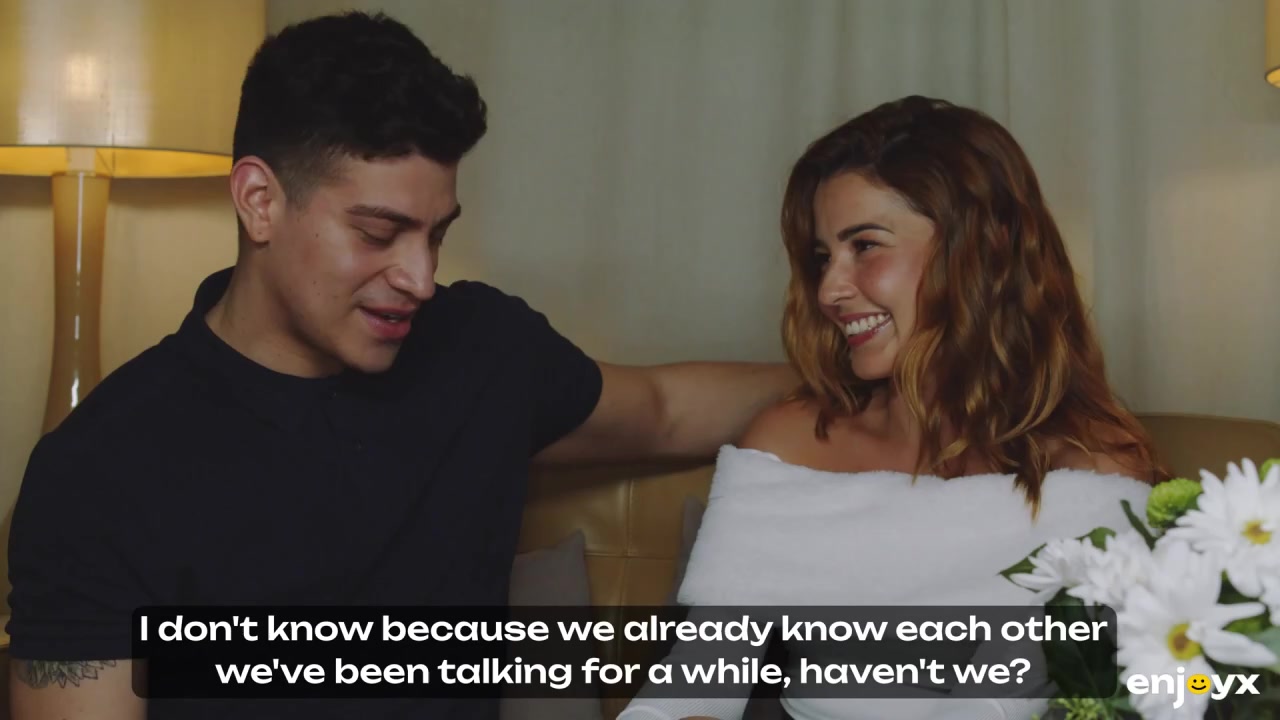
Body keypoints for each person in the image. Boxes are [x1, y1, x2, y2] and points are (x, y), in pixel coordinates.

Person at [4, 11, 797, 720]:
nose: (420, 277)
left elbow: (665, 409)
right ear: (259, 201)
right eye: (379, 233)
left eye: (437, 233)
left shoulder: (481, 350)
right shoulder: (99, 469)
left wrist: (868, 368)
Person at [619, 96, 1166, 720]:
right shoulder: (790, 446)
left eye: (865, 246)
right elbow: (695, 686)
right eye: (823, 257)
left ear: (979, 249)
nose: (829, 290)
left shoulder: (1095, 470)